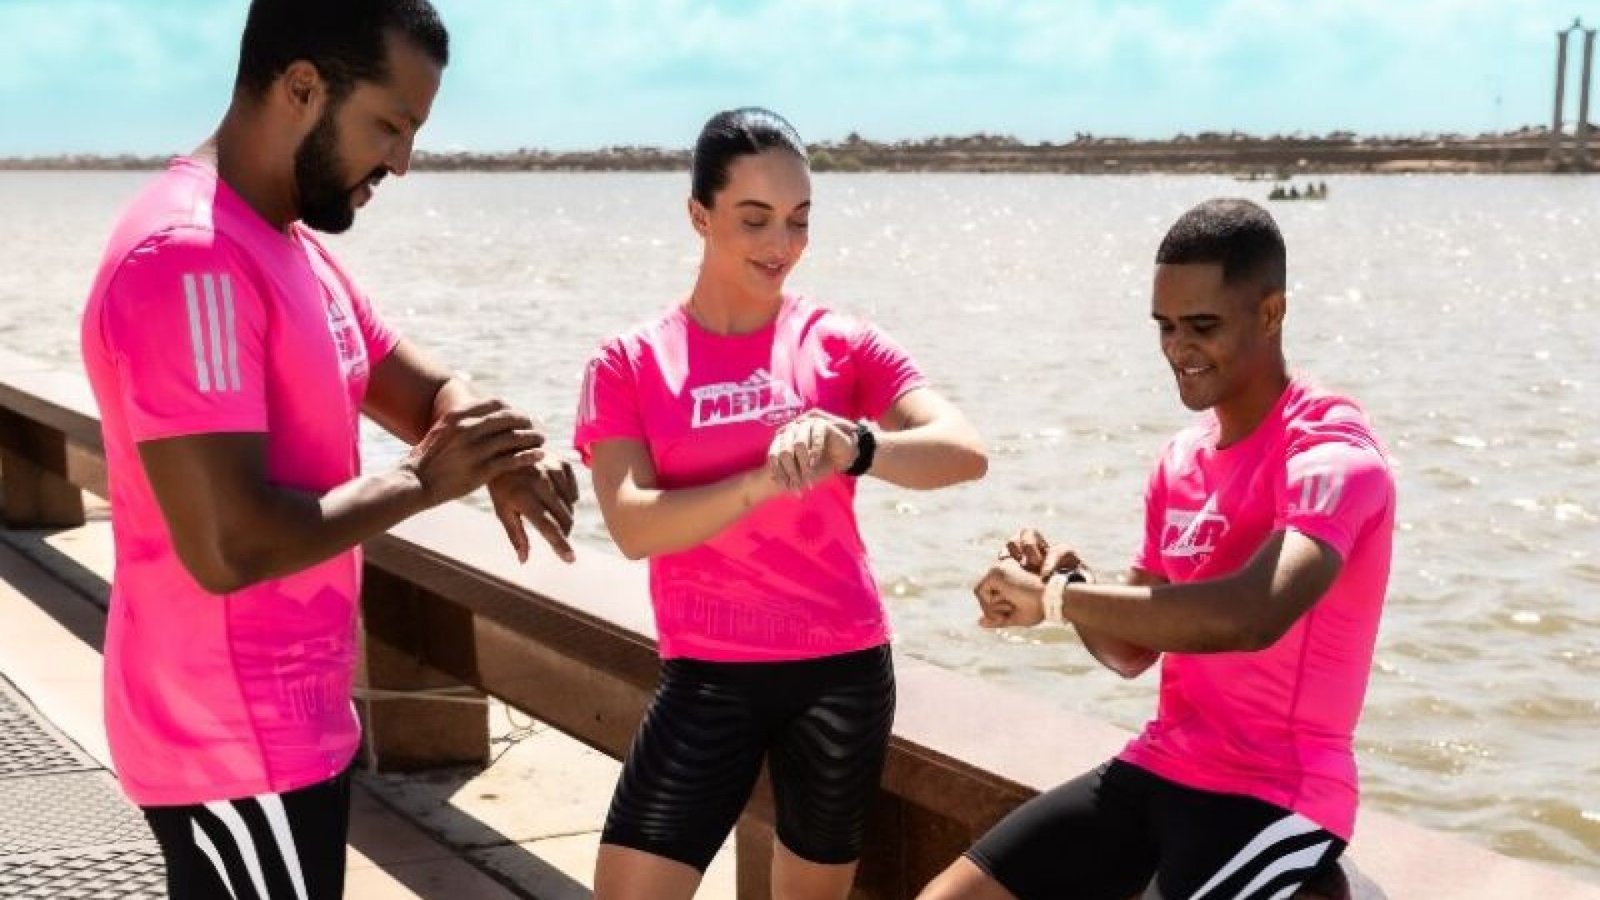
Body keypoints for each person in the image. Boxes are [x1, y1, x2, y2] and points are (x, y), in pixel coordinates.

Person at [79, 2, 577, 896]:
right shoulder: (188, 257)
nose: (402, 161)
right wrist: (427, 479)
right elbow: (231, 546)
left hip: (292, 726)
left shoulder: (288, 241)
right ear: (302, 86)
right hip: (227, 741)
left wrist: (499, 449)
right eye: (389, 125)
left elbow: (419, 387)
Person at [919, 198, 1395, 900]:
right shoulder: (1181, 460)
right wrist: (1066, 578)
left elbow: (1253, 614)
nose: (1177, 347)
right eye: (1165, 326)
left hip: (1279, 795)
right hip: (1164, 764)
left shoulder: (1331, 451)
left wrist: (1056, 600)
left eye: (1202, 326)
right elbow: (1131, 652)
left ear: (1270, 314)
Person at [573, 107, 988, 900]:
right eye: (755, 219)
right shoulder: (627, 362)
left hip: (840, 671)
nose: (782, 246)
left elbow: (964, 450)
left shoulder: (840, 342)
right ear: (699, 215)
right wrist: (764, 480)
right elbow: (632, 523)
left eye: (799, 221)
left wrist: (856, 446)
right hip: (705, 674)